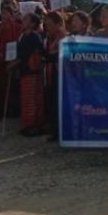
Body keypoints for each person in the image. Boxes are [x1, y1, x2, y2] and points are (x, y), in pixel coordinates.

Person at [12, 13, 46, 136]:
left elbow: (26, 54)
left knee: (32, 99)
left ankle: (34, 125)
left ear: (32, 23)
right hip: (24, 71)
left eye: (26, 19)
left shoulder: (34, 36)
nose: (23, 20)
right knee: (26, 98)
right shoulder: (22, 36)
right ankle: (27, 124)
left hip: (32, 71)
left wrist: (13, 64)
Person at [43, 11, 68, 141]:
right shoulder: (49, 37)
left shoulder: (63, 37)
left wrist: (49, 57)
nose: (47, 26)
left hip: (60, 74)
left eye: (50, 24)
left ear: (58, 24)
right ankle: (54, 130)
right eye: (46, 24)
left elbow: (62, 55)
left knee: (58, 103)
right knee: (52, 102)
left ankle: (60, 131)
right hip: (51, 73)